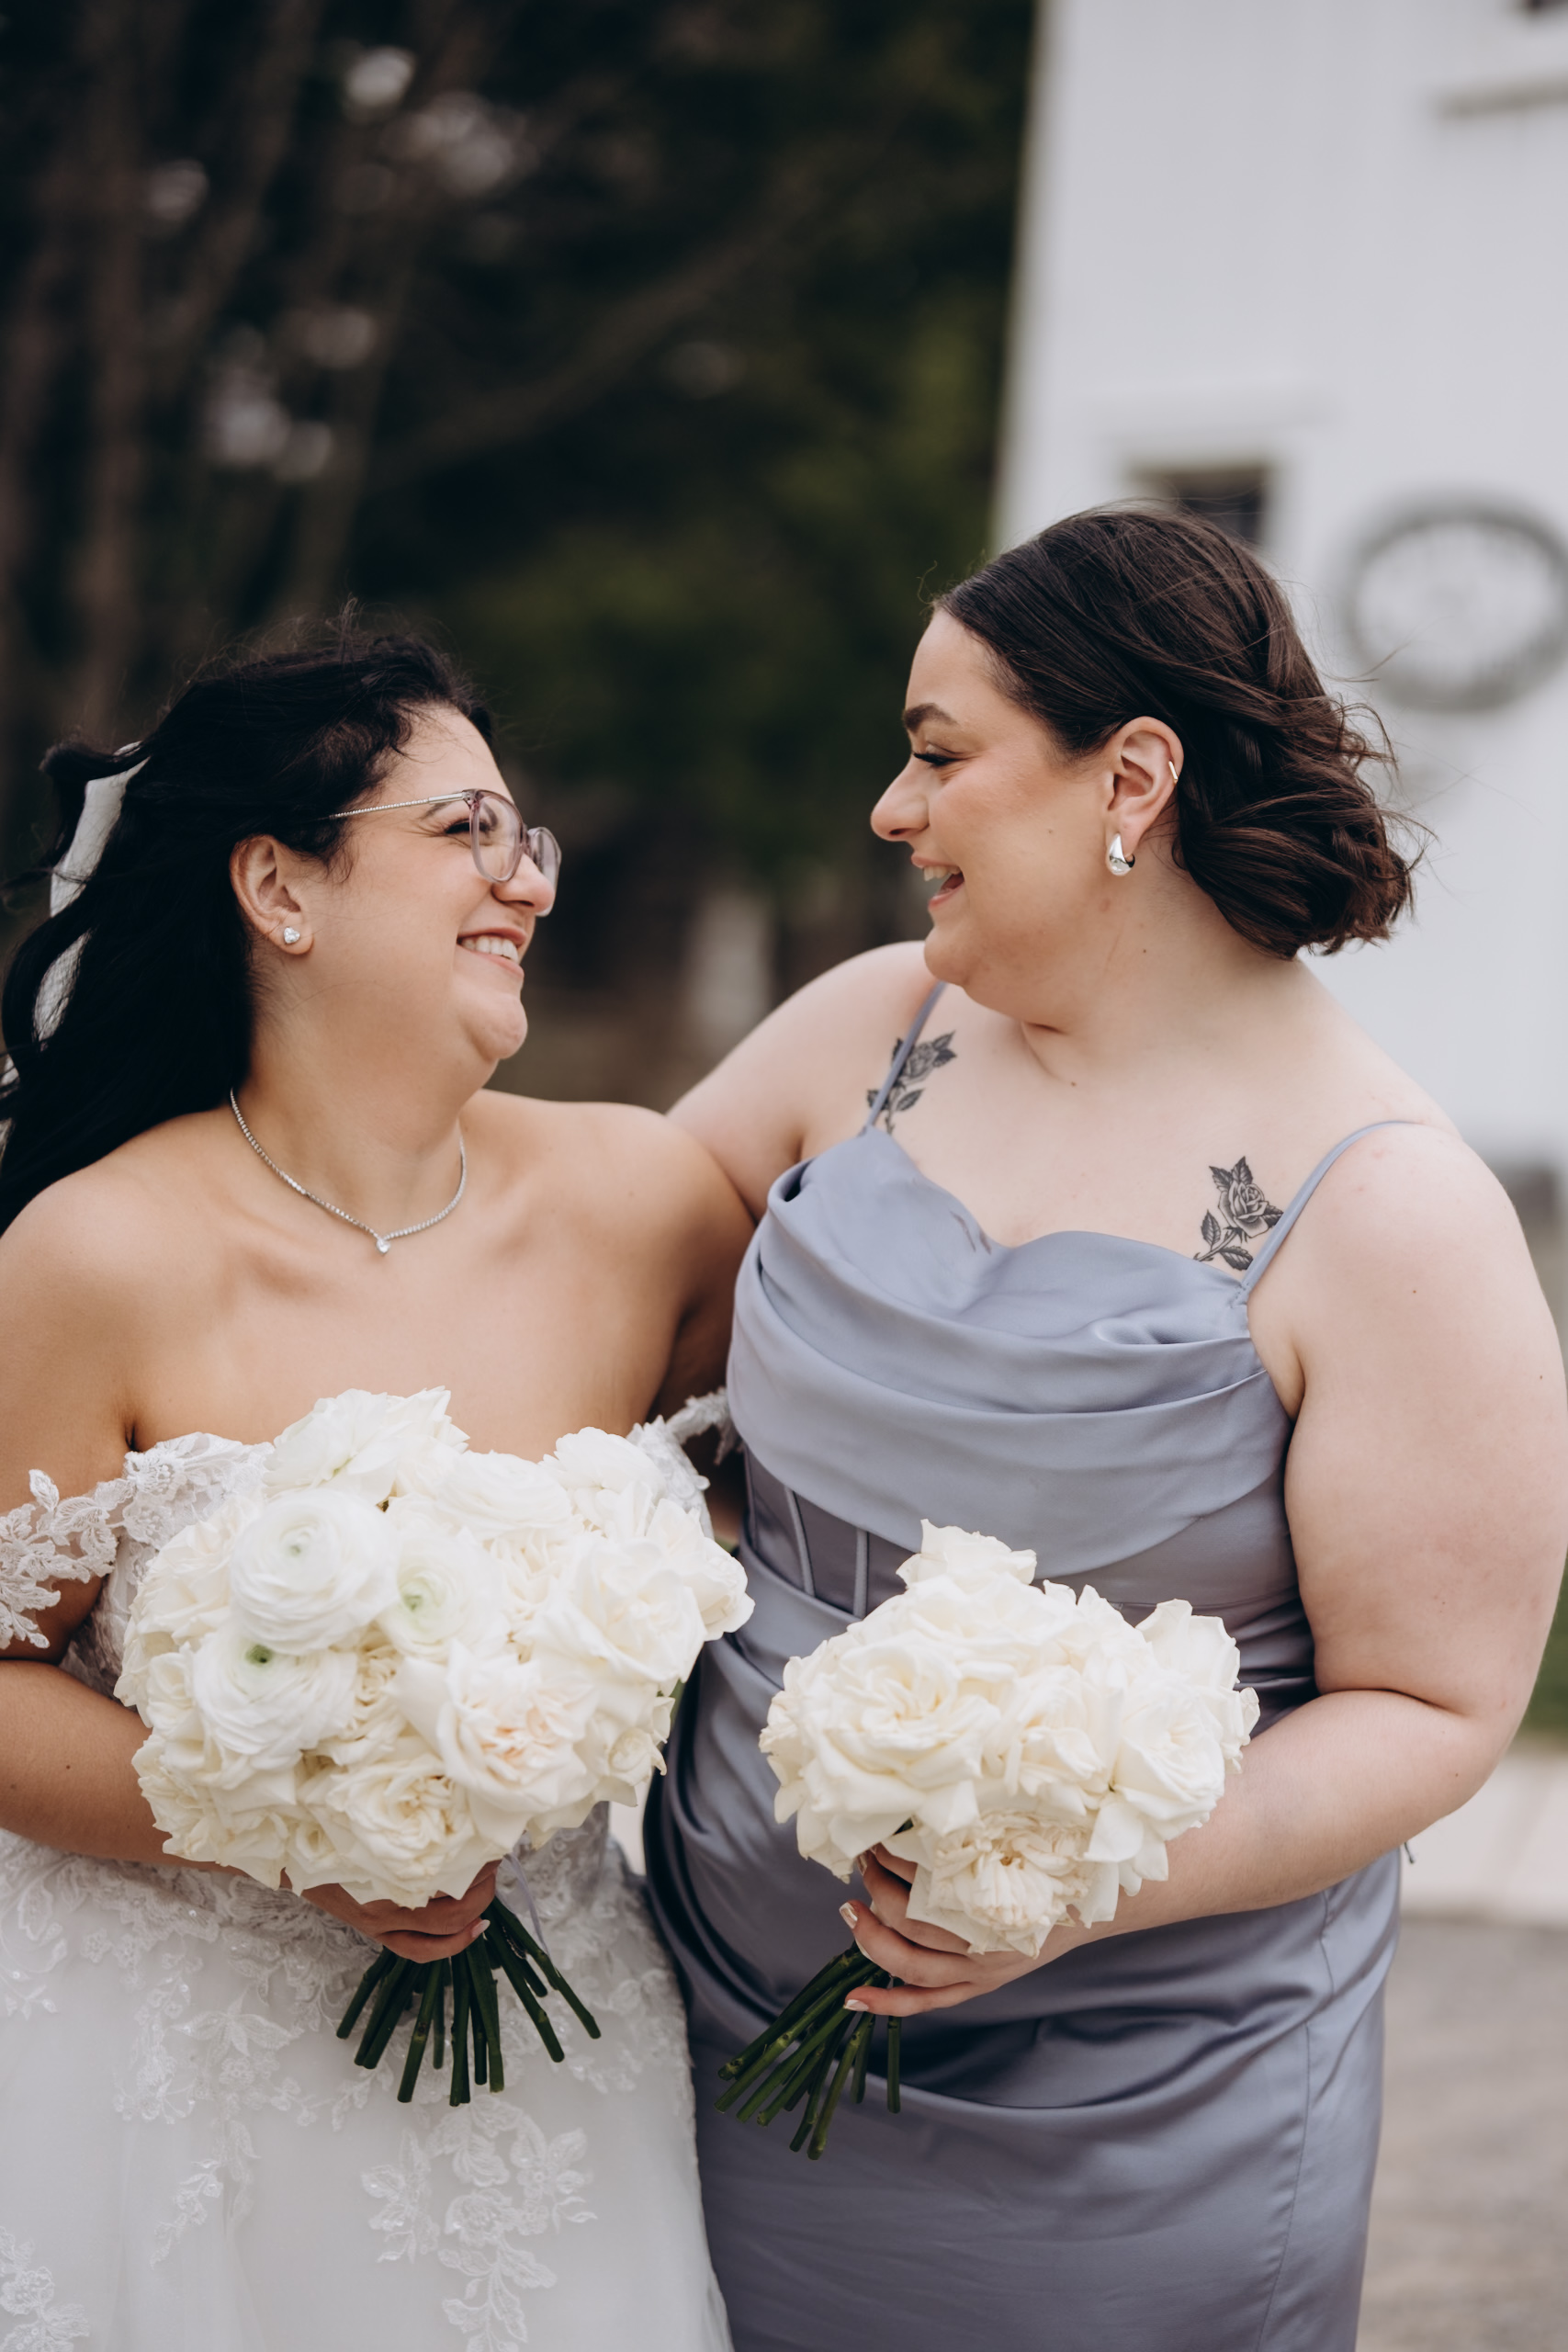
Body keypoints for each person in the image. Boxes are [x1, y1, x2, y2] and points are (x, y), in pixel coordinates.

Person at [645, 505, 1568, 2352]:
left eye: (937, 754)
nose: (890, 810)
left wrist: (1063, 1886)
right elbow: (594, 1304)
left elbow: (1431, 1704)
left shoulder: (1388, 1210)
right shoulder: (868, 1033)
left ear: (1128, 779)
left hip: (1124, 2101)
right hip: (698, 2015)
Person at [0, 628, 750, 2350]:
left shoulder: (649, 1204)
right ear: (282, 887)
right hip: (183, 2089)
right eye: (466, 831)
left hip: (559, 2074)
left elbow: (777, 1499)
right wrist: (299, 1829)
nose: (526, 882)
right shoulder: (98, 1256)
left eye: (525, 837)